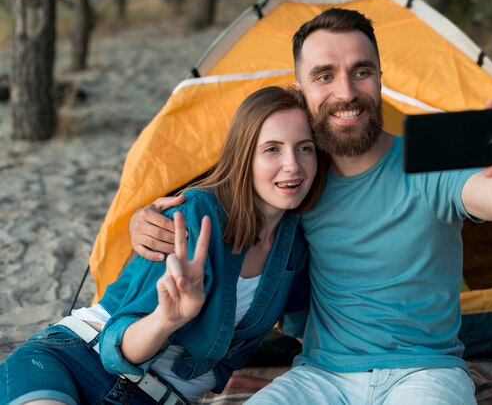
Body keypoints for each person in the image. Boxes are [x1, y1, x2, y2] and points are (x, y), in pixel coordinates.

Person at [128, 9, 492, 404]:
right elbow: (223, 203)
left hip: (423, 373)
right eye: (324, 75)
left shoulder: (428, 153)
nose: (346, 91)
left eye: (362, 72)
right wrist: (143, 219)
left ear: (381, 79)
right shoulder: (297, 176)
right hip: (319, 377)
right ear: (301, 90)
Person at [0, 86, 326, 405]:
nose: (293, 165)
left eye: (304, 148)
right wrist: (168, 320)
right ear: (245, 156)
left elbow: (305, 332)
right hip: (78, 359)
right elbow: (117, 350)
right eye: (272, 149)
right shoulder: (195, 215)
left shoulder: (297, 247)